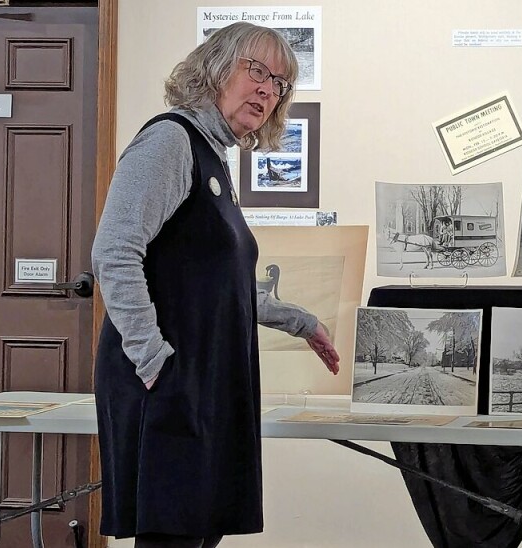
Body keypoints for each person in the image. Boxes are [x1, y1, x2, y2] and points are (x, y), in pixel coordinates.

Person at [92, 23, 340, 548]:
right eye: (258, 71)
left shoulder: (214, 156)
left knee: (200, 530)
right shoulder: (170, 140)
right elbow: (114, 251)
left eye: (280, 84)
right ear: (214, 67)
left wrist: (301, 322)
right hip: (166, 377)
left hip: (202, 377)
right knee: (174, 534)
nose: (269, 91)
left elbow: (220, 283)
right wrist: (153, 358)